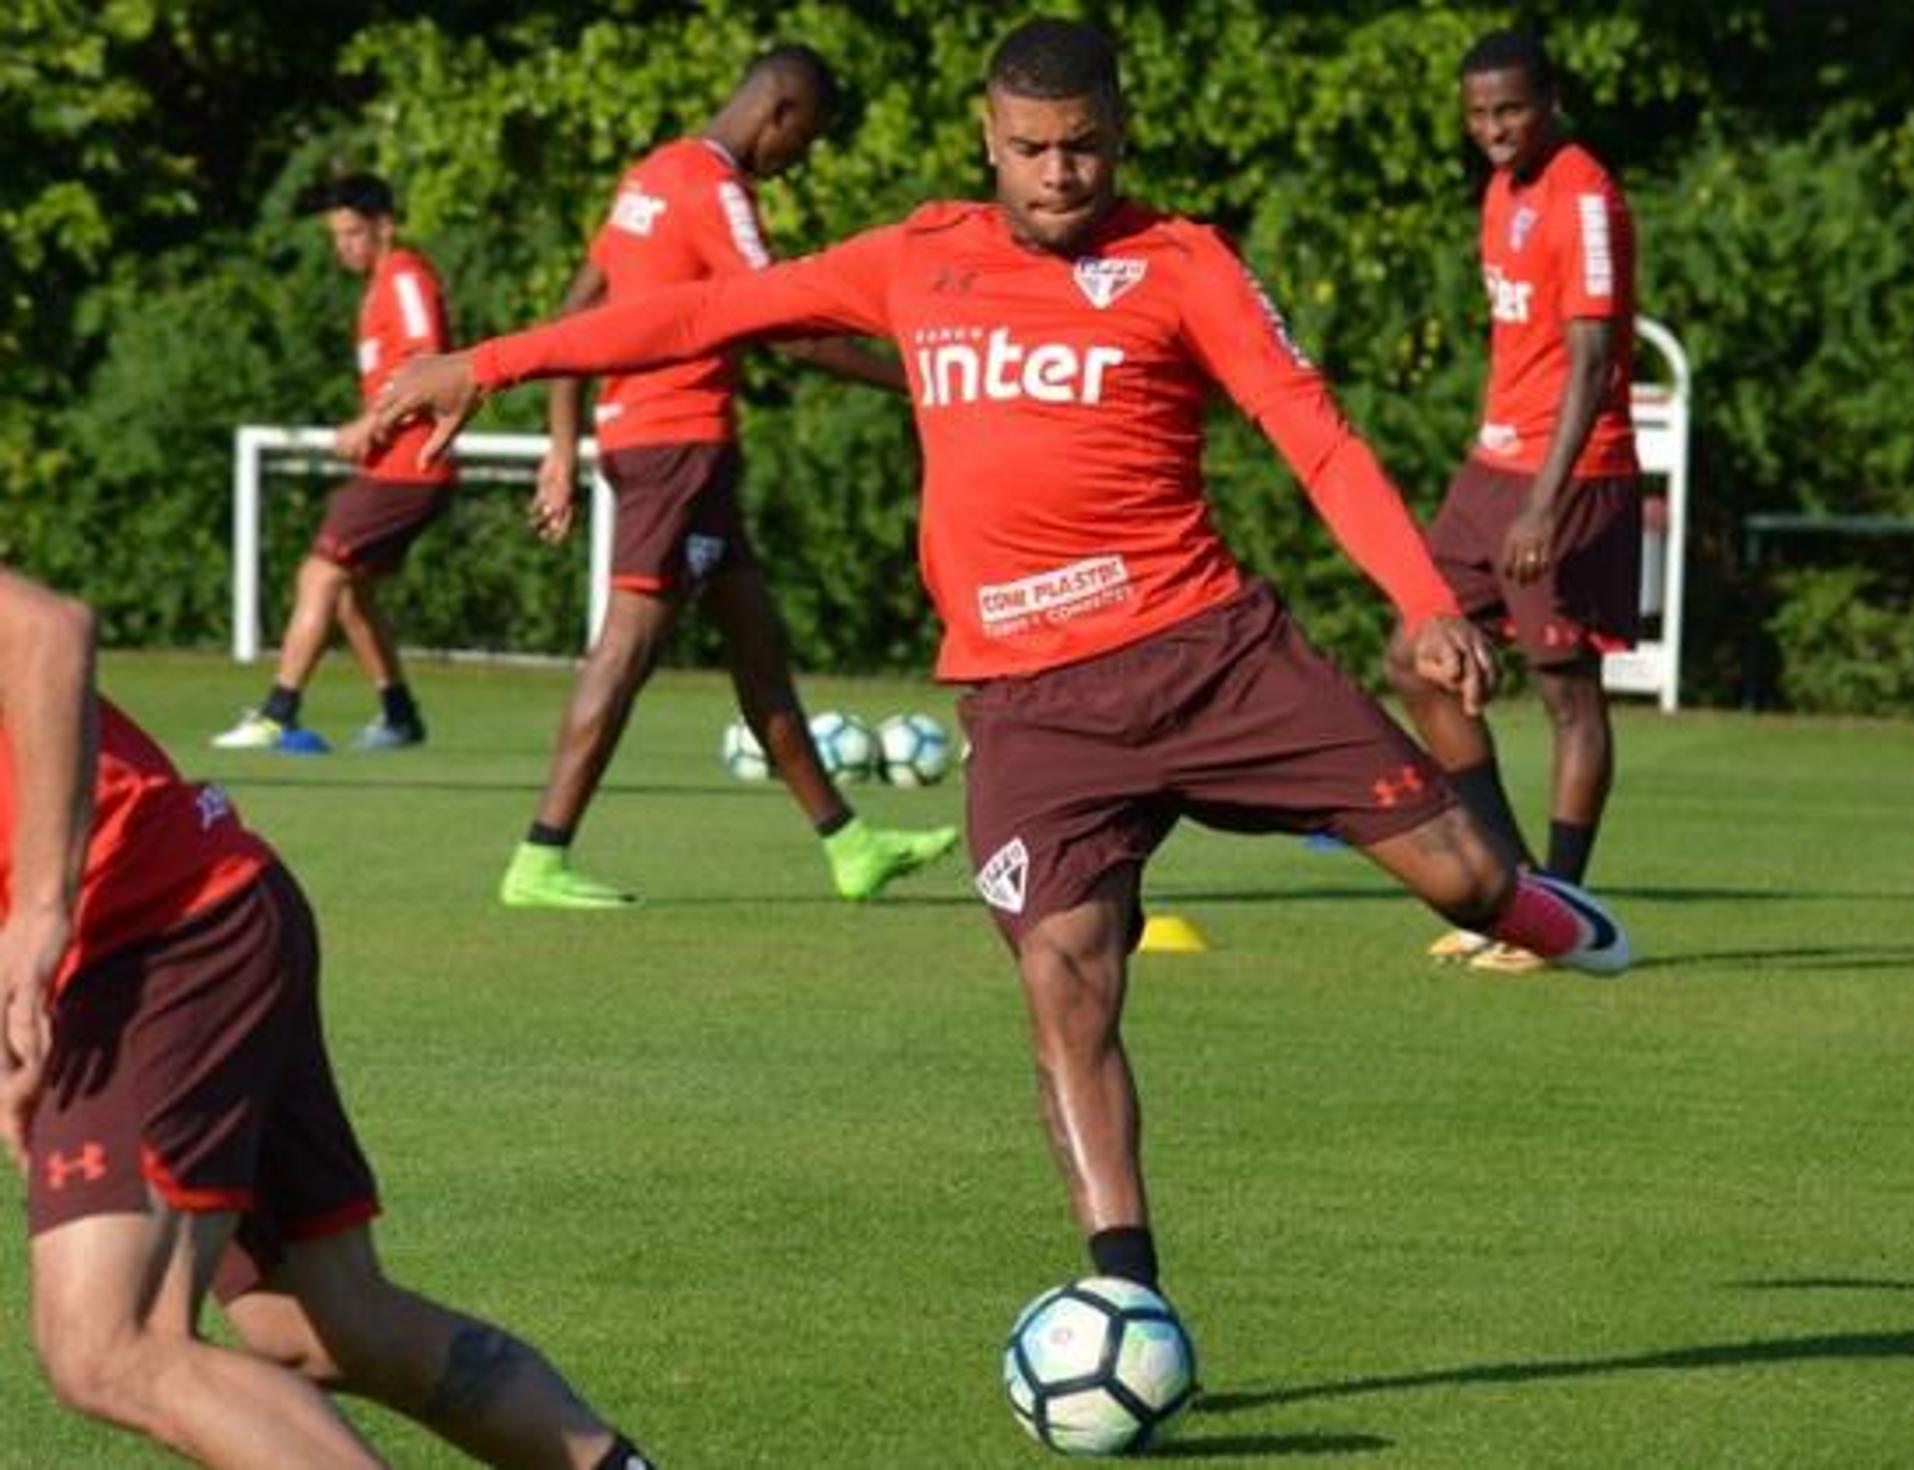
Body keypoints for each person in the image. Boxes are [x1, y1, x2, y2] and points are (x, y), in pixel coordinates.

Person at [375, 17, 1631, 1298]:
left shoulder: (1184, 262)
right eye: (1030, 149)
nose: (1057, 175)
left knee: (1466, 880)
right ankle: (1122, 1292)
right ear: (989, 139)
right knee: (1064, 978)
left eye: (1083, 148)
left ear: (1117, 136)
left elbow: (1313, 435)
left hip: (1212, 654)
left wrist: (1421, 600)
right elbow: (699, 310)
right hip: (1033, 705)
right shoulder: (916, 259)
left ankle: (1537, 908)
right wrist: (486, 364)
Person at [1, 567, 658, 1468]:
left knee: (110, 1346)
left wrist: (42, 910)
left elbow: (46, 634)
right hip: (208, 918)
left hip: (158, 936)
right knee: (321, 1320)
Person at [501, 44, 957, 908]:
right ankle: (541, 856)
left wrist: (563, 443)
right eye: (807, 140)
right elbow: (783, 321)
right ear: (778, 113)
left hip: (658, 443)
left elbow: (575, 309)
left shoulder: (652, 175)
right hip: (677, 445)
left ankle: (851, 847)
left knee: (758, 648)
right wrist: (921, 376)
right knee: (627, 644)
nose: (801, 159)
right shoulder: (714, 189)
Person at [1385, 29, 1642, 973]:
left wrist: (1544, 503)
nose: (1494, 129)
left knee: (1568, 694)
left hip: (1565, 478)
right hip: (1493, 466)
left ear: (1551, 99)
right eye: (1479, 114)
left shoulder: (1586, 196)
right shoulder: (1504, 190)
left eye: (1511, 110)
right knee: (1417, 653)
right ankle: (1513, 887)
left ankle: (1562, 908)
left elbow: (1591, 359)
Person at [213, 173, 457, 755]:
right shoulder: (379, 285)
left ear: (385, 226)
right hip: (392, 464)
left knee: (319, 573)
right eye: (337, 235)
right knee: (350, 592)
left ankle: (278, 712)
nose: (344, 245)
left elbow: (430, 360)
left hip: (410, 466)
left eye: (353, 232)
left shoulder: (404, 275)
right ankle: (399, 715)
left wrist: (370, 426)